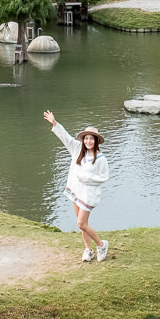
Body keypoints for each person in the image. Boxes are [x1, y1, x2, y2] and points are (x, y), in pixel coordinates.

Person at [44, 110, 110, 262]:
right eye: (86, 138)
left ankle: (102, 245)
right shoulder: (77, 149)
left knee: (80, 223)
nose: (88, 141)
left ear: (96, 141)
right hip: (75, 192)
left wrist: (86, 178)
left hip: (88, 195)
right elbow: (65, 137)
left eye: (91, 139)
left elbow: (103, 177)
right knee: (82, 225)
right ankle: (88, 250)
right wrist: (54, 122)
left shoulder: (100, 159)